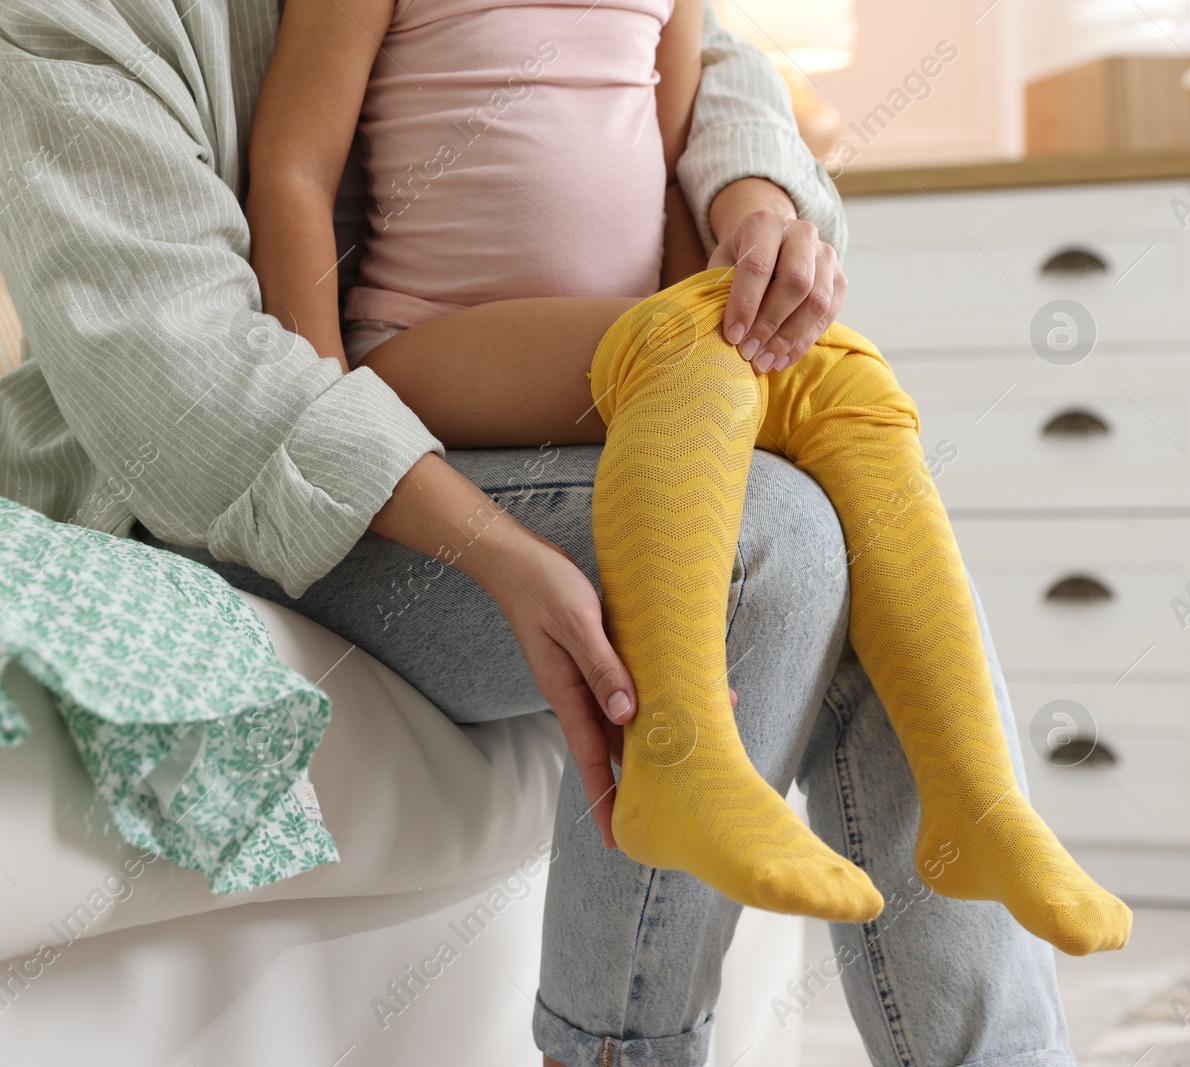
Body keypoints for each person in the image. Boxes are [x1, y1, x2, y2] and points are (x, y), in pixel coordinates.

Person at [0, 0, 1080, 1063]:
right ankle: (619, 1047)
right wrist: (486, 543)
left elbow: (688, 59)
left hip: (504, 407)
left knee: (849, 482)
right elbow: (182, 382)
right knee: (755, 539)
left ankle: (1000, 989)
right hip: (240, 477)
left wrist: (755, 213)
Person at [241, 0, 1130, 956]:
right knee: (689, 341)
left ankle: (976, 800)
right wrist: (327, 411)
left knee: (850, 388)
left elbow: (669, 167)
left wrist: (722, 349)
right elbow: (293, 165)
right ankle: (678, 761)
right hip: (423, 344)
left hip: (630, 349)